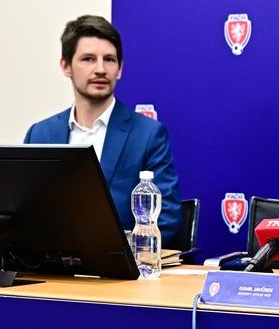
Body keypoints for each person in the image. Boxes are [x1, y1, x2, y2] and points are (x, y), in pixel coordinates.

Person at [24, 15, 182, 245]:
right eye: (88, 59)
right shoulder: (39, 135)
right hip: (52, 262)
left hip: (122, 263)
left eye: (109, 60)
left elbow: (166, 219)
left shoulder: (148, 135)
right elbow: (25, 213)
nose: (100, 69)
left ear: (120, 69)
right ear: (66, 66)